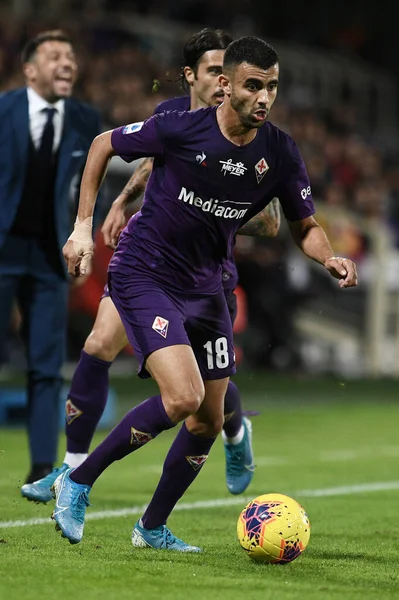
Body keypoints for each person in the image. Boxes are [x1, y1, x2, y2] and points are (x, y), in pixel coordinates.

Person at [54, 36, 357, 550]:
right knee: (183, 397)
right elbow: (105, 142)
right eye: (253, 86)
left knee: (208, 420)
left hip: (206, 285)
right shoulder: (179, 127)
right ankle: (77, 481)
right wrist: (83, 227)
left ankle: (151, 528)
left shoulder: (279, 150)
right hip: (145, 273)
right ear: (224, 85)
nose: (265, 98)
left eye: (273, 87)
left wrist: (326, 255)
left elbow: (304, 225)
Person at [21, 28, 280, 504]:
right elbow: (152, 163)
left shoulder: (253, 135)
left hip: (208, 275)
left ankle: (234, 429)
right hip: (151, 266)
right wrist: (122, 201)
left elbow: (272, 221)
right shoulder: (171, 117)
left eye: (231, 75)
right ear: (191, 76)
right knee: (98, 343)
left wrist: (206, 205)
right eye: (214, 73)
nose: (225, 83)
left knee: (205, 393)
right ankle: (70, 469)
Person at [0, 30, 101, 485]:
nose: (67, 63)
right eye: (55, 55)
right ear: (30, 69)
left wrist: (79, 240)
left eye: (72, 55)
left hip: (48, 257)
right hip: (2, 250)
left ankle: (42, 465)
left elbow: (86, 189)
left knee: (46, 364)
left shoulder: (85, 119)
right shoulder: (2, 112)